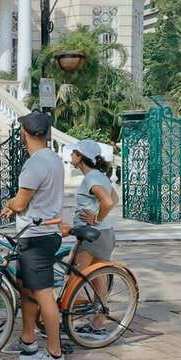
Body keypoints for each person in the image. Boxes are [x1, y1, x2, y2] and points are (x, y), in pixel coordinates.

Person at [0, 112, 66, 360]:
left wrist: (10, 204)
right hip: (40, 233)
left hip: (37, 236)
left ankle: (54, 354)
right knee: (27, 289)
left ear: (25, 133)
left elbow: (20, 202)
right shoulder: (54, 159)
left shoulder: (36, 164)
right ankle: (28, 340)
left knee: (43, 294)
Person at [68, 139, 118, 340]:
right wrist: (100, 218)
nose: (71, 155)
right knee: (99, 280)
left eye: (74, 152)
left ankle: (65, 320)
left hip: (92, 236)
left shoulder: (91, 179)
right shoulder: (99, 176)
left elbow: (107, 201)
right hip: (104, 234)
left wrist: (96, 218)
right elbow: (114, 199)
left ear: (80, 157)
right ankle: (98, 325)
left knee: (73, 279)